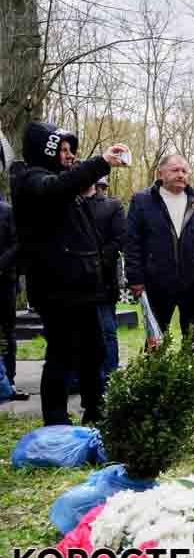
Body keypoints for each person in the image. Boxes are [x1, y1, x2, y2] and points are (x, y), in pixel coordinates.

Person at [10, 122, 129, 425]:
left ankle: (96, 412)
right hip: (56, 288)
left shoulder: (66, 188)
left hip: (84, 286)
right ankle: (56, 421)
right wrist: (100, 162)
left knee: (94, 352)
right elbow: (56, 189)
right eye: (62, 149)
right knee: (62, 355)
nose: (69, 155)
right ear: (45, 150)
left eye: (70, 149)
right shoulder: (31, 180)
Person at [126, 155, 194, 337]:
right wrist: (135, 278)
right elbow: (132, 242)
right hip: (156, 281)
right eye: (175, 170)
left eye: (184, 171)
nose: (181, 175)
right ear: (160, 174)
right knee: (156, 339)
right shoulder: (142, 201)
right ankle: (155, 367)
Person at [89, 178, 126, 385]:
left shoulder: (112, 206)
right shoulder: (74, 205)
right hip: (80, 280)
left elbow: (120, 239)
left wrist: (97, 260)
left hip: (104, 278)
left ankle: (111, 373)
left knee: (107, 329)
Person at [0, 189, 27, 400]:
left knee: (7, 333)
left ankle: (9, 380)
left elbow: (19, 243)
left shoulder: (8, 212)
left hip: (4, 282)